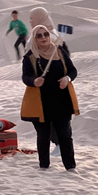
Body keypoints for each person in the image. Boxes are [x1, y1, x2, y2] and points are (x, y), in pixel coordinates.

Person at [21, 24, 78, 171]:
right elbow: (25, 77)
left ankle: (70, 167)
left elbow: (73, 71)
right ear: (34, 38)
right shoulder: (30, 57)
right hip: (41, 102)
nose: (43, 38)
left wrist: (67, 79)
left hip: (62, 100)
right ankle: (44, 166)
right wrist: (34, 81)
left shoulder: (59, 51)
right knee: (43, 136)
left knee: (65, 135)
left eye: (45, 34)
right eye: (39, 36)